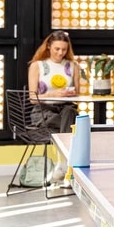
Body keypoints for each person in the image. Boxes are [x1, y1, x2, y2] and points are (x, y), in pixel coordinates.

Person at [27, 30, 82, 184]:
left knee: (70, 112)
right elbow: (32, 98)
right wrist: (55, 94)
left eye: (64, 50)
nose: (60, 53)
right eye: (57, 49)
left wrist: (69, 94)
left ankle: (62, 166)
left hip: (65, 109)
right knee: (76, 128)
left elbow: (78, 95)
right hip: (44, 112)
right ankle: (66, 165)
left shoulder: (73, 66)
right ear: (49, 46)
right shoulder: (37, 66)